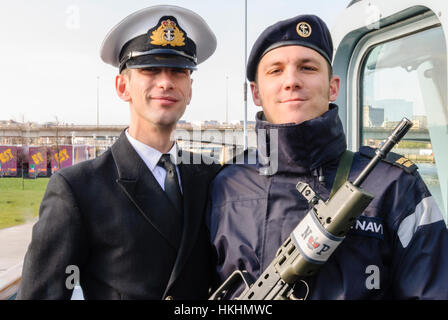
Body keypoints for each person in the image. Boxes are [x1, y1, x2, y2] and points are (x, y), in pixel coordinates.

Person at [208, 14, 448, 299]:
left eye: (307, 68)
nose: (292, 81)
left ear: (333, 87)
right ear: (256, 93)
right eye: (275, 71)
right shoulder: (224, 186)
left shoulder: (393, 185)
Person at [18, 5, 220, 300]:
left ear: (189, 89)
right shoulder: (77, 189)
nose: (165, 82)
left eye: (178, 71)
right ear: (122, 86)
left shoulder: (212, 177)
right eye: (150, 70)